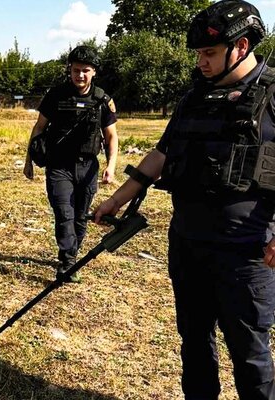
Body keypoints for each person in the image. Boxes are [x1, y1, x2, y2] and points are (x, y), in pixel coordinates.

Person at [94, 1, 275, 398]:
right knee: (194, 343)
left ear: (241, 46)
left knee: (249, 354)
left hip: (245, 252)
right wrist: (119, 199)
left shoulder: (273, 96)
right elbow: (162, 153)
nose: (202, 63)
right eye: (198, 55)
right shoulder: (194, 95)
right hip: (189, 243)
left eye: (209, 53)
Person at [24, 45, 118, 276]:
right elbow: (39, 128)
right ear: (70, 70)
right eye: (76, 70)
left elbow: (111, 135)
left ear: (94, 71)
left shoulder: (102, 100)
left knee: (80, 216)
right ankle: (67, 262)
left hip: (88, 167)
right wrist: (28, 161)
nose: (80, 75)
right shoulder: (56, 95)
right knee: (64, 213)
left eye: (85, 70)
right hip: (59, 166)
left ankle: (72, 253)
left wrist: (111, 165)